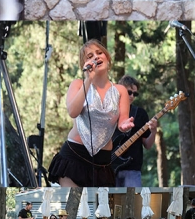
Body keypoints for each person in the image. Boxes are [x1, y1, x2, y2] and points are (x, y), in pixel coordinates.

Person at [48, 39, 134, 186]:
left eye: (99, 53)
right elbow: (73, 112)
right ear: (84, 65)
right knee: (76, 201)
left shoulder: (120, 90)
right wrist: (88, 80)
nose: (96, 57)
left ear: (107, 57)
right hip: (74, 156)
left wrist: (125, 125)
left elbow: (122, 122)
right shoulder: (78, 84)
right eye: (90, 56)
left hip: (102, 162)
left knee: (100, 201)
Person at [112, 76, 157, 187]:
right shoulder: (109, 111)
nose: (132, 96)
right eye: (129, 92)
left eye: (135, 94)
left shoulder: (140, 113)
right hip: (107, 170)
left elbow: (147, 145)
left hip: (132, 170)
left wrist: (154, 131)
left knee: (132, 199)